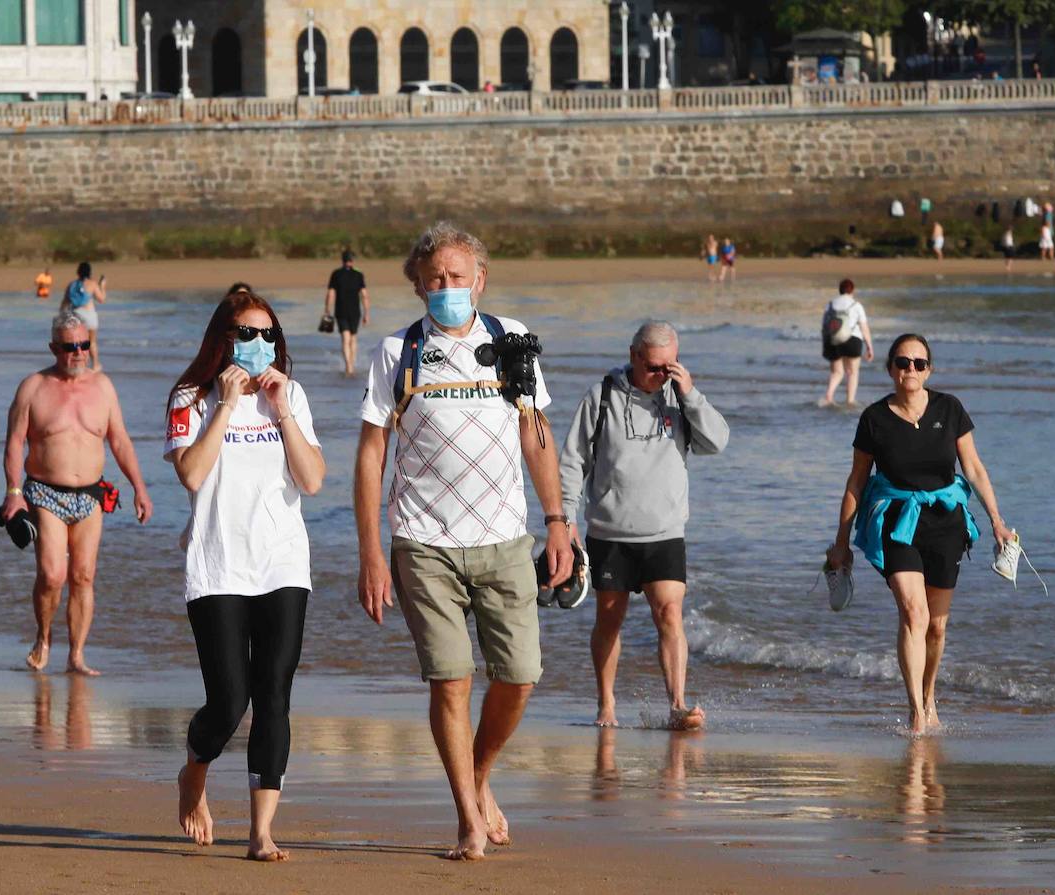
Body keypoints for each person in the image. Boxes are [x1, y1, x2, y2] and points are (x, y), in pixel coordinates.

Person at [354, 221, 573, 860]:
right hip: (422, 543)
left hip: (506, 539)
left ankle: (479, 777)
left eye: (457, 276)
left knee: (520, 677)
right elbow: (372, 454)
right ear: (419, 286)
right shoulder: (398, 352)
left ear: (480, 278)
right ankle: (467, 817)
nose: (447, 288)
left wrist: (558, 520)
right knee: (450, 681)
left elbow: (536, 434)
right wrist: (371, 551)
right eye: (435, 280)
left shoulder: (512, 341)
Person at [166, 284, 326, 862]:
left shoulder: (292, 395)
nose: (258, 345)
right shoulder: (191, 396)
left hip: (283, 562)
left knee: (274, 695)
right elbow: (191, 475)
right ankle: (195, 770)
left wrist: (281, 408)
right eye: (246, 334)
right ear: (223, 339)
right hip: (218, 565)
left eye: (268, 335)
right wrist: (227, 405)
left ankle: (261, 832)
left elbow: (311, 481)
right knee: (230, 701)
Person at [825, 333, 1012, 736]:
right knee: (914, 613)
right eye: (903, 362)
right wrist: (841, 542)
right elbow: (857, 481)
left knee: (937, 626)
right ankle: (914, 711)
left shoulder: (950, 408)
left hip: (946, 522)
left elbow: (974, 468)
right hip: (896, 520)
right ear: (891, 368)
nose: (911, 369)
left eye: (919, 363)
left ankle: (929, 696)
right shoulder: (874, 418)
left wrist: (996, 520)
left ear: (930, 369)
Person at [557, 322, 729, 731]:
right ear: (634, 355)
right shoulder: (601, 397)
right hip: (610, 533)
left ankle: (677, 704)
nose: (661, 375)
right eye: (654, 367)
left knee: (670, 612)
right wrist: (565, 519)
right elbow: (572, 461)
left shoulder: (681, 399)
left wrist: (690, 393)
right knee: (609, 620)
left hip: (665, 531)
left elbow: (717, 442)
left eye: (670, 366)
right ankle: (606, 703)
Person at [0, 311, 153, 676]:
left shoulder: (103, 387)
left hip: (91, 495)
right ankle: (43, 637)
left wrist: (139, 488)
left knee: (83, 575)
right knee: (53, 575)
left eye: (84, 345)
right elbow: (14, 443)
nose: (79, 353)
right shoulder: (33, 387)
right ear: (54, 348)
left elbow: (119, 440)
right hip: (44, 493)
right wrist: (14, 492)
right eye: (70, 347)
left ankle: (77, 656)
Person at [820, 279, 874, 407]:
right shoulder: (856, 305)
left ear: (840, 290)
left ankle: (829, 395)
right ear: (852, 290)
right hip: (852, 340)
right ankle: (849, 400)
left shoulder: (830, 304)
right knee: (852, 372)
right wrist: (869, 347)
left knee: (836, 372)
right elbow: (864, 327)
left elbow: (824, 326)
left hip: (833, 340)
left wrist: (825, 344)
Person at [324, 249, 370, 377]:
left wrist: (327, 309)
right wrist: (366, 313)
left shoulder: (336, 274)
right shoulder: (358, 274)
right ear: (352, 260)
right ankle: (351, 365)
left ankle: (348, 367)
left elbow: (331, 293)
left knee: (345, 339)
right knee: (353, 339)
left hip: (341, 311)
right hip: (355, 312)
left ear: (342, 260)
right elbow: (364, 295)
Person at [61, 261, 107, 371]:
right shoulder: (92, 284)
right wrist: (103, 286)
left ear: (78, 272)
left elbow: (64, 304)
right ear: (89, 272)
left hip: (76, 315)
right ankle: (95, 365)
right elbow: (101, 299)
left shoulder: (71, 285)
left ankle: (79, 364)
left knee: (77, 342)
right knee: (92, 342)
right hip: (89, 315)